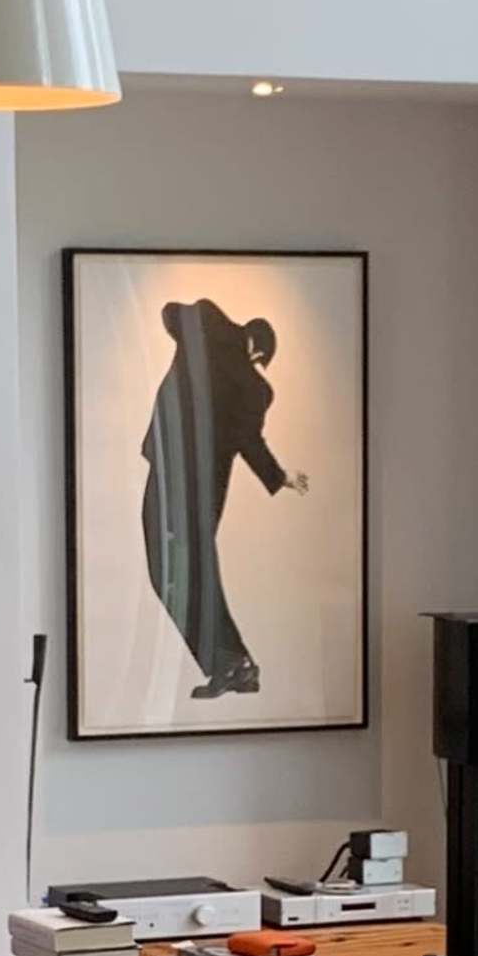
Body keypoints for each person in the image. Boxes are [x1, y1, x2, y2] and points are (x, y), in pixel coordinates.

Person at [139, 296, 304, 698]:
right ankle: (233, 663)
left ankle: (234, 662)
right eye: (261, 358)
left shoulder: (251, 384)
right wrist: (280, 476)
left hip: (191, 486)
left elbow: (249, 441)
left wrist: (278, 475)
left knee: (182, 574)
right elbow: (174, 312)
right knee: (169, 575)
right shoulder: (212, 332)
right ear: (257, 347)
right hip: (175, 472)